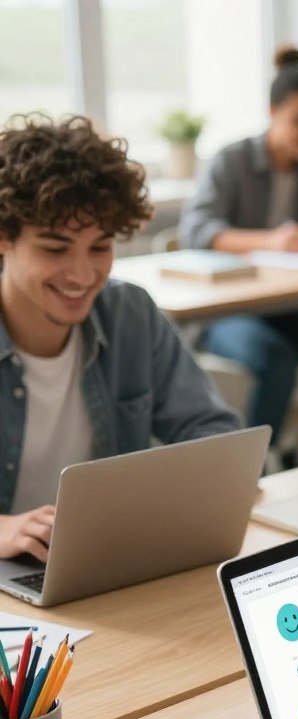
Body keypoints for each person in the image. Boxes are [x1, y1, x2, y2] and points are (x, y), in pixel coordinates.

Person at [0, 115, 239, 562]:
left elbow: (214, 436)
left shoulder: (130, 314)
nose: (82, 274)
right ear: (4, 239)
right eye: (54, 249)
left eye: (100, 247)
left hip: (105, 563)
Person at [179, 45, 298, 445]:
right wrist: (271, 241)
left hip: (282, 305)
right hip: (227, 310)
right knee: (275, 359)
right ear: (272, 113)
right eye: (297, 120)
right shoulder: (232, 160)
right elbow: (196, 228)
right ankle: (257, 467)